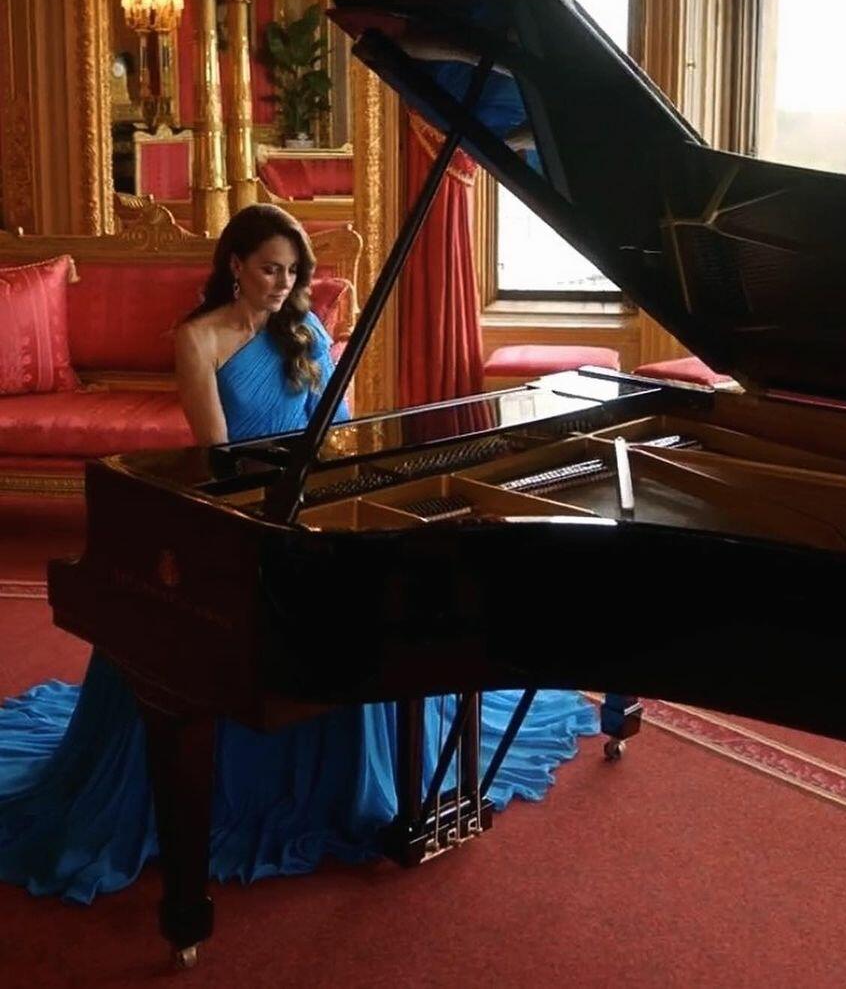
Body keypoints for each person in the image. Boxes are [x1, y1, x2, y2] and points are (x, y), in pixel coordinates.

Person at [0, 204, 597, 903]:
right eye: (269, 269)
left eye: (291, 271)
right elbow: (215, 453)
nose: (282, 283)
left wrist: (341, 490)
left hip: (316, 501)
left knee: (364, 591)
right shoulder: (198, 338)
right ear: (235, 265)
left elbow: (335, 427)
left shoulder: (304, 327)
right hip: (242, 507)